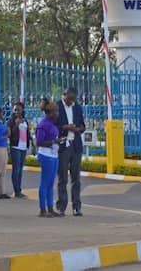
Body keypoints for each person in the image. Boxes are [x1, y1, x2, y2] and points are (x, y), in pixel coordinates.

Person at [55, 87, 86, 217]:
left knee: (76, 179)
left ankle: (76, 207)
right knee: (62, 178)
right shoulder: (56, 107)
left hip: (76, 145)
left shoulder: (77, 108)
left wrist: (78, 129)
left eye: (73, 100)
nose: (71, 102)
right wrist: (65, 127)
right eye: (69, 100)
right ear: (65, 95)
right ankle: (61, 206)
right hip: (63, 146)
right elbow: (53, 125)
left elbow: (83, 126)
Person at [36, 101, 61, 218]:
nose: (57, 113)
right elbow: (39, 142)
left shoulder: (53, 123)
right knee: (45, 183)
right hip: (46, 155)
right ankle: (42, 209)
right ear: (49, 112)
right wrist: (53, 142)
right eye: (55, 111)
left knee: (51, 183)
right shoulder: (43, 124)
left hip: (54, 155)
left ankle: (50, 208)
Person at [7, 101, 32, 198]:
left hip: (23, 147)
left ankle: (19, 189)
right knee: (16, 169)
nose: (16, 111)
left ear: (22, 110)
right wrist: (16, 125)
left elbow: (27, 132)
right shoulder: (11, 121)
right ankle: (16, 190)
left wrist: (31, 142)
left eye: (18, 109)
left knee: (20, 170)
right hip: (15, 147)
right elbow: (10, 134)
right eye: (15, 110)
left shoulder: (24, 120)